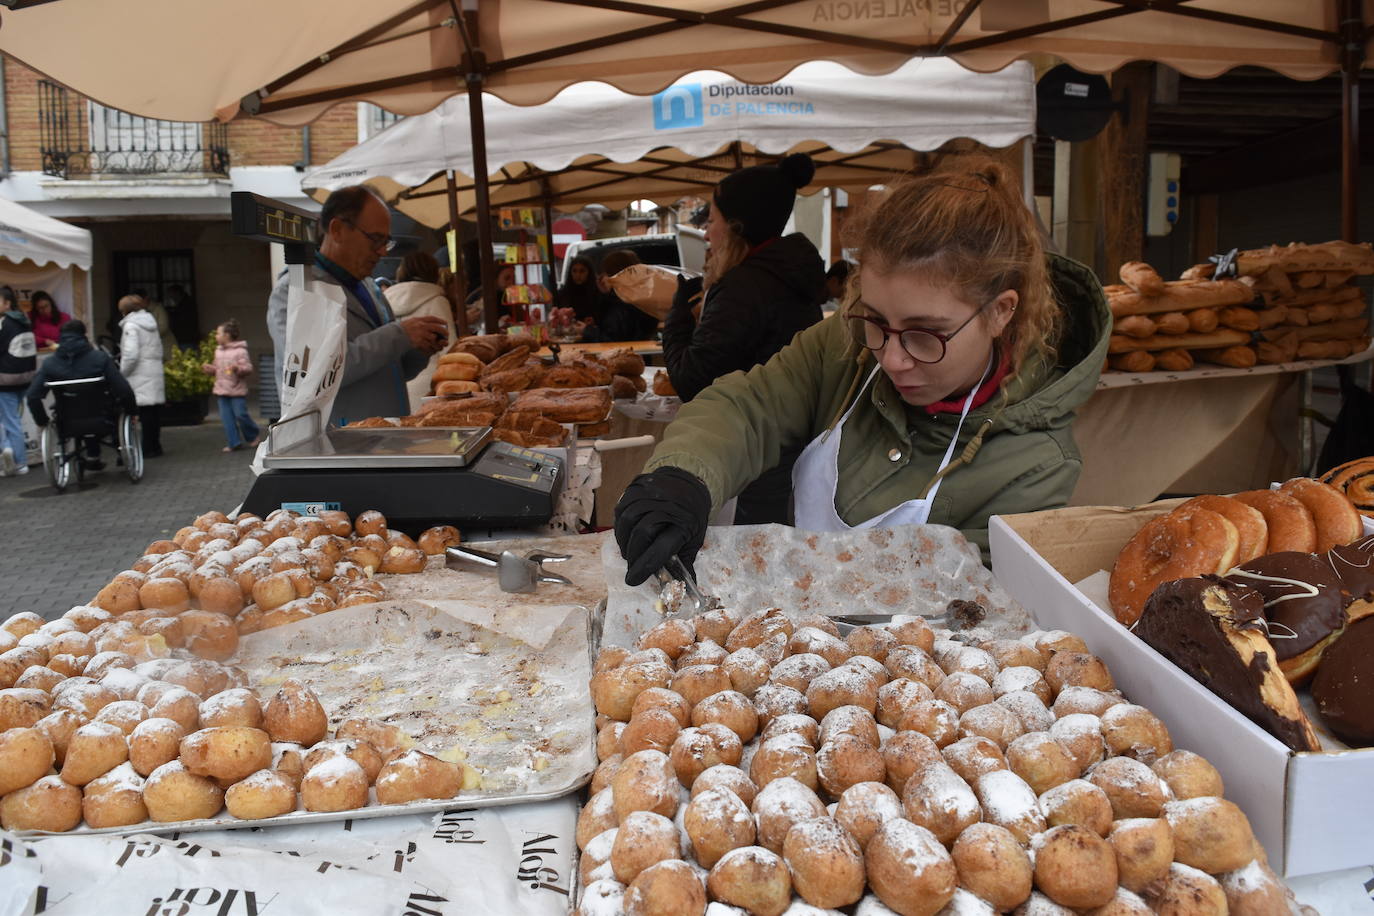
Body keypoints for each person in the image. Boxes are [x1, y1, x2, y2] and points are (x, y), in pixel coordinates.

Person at [613, 158, 1112, 586]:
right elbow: (750, 405)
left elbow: (973, 614)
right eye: (877, 322)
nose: (892, 357)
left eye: (925, 333)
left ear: (1000, 311)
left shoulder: (1036, 466)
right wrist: (684, 476)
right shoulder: (848, 346)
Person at [661, 152, 826, 525]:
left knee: (760, 550)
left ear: (736, 227)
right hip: (796, 444)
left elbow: (691, 379)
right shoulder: (788, 274)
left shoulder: (744, 286)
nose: (706, 231)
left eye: (712, 220)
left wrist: (678, 317)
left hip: (764, 451)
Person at [267, 186, 447, 426]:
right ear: (337, 229)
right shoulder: (296, 290)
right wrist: (399, 334)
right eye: (375, 239)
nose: (382, 251)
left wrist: (418, 350)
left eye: (386, 242)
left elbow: (389, 371)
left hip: (383, 439)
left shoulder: (369, 288)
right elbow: (315, 373)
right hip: (336, 448)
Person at [26, 320, 137, 471]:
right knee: (111, 406)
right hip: (103, 415)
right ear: (84, 336)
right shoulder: (100, 358)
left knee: (77, 406)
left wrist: (42, 421)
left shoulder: (50, 364)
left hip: (67, 418)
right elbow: (123, 390)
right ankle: (119, 450)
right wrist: (132, 411)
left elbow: (33, 396)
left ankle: (92, 454)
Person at [387, 251, 455, 412]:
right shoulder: (437, 300)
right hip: (429, 388)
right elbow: (450, 351)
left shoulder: (386, 299)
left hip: (397, 387)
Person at [117, 293, 165, 457]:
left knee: (145, 413)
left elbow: (131, 354)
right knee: (154, 412)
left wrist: (122, 373)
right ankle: (155, 446)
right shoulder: (150, 322)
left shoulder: (131, 326)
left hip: (140, 372)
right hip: (154, 369)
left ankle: (147, 448)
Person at [201, 319, 260, 452]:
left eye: (218, 333)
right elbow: (217, 368)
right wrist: (210, 369)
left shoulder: (240, 351)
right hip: (222, 390)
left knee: (241, 415)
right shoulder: (218, 351)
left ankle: (252, 435)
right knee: (227, 418)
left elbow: (248, 368)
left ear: (227, 335)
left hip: (236, 389)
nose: (216, 336)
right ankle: (234, 442)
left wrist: (237, 368)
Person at [0, 285, 37, 476]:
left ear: (7, 304)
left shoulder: (3, 323)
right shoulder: (24, 320)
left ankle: (15, 458)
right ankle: (14, 456)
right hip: (26, 376)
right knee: (14, 419)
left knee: (9, 421)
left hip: (5, 379)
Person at [595, 250, 660, 343]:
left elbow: (612, 339)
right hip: (641, 354)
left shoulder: (620, 303)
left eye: (606, 273)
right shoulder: (643, 296)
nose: (603, 278)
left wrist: (587, 330)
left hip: (623, 355)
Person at [554, 256, 602, 326]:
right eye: (574, 271)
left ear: (589, 272)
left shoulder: (597, 292)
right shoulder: (563, 293)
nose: (578, 275)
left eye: (582, 271)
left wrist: (594, 321)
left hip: (591, 333)